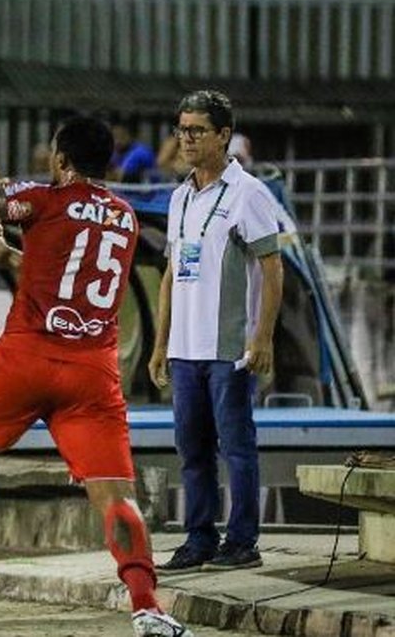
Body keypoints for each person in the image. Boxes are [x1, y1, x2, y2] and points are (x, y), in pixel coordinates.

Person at [0, 116, 194, 637]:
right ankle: (147, 607)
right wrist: (4, 252)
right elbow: (62, 267)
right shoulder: (124, 217)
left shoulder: (44, 197)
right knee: (117, 495)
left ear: (60, 161)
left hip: (29, 357)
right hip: (94, 371)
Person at [148, 90, 283, 575]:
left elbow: (272, 267)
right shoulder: (180, 196)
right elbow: (169, 274)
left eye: (197, 130)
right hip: (185, 349)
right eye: (181, 129)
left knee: (237, 447)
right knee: (192, 450)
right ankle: (199, 539)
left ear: (224, 135)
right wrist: (161, 343)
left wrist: (262, 337)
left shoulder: (249, 194)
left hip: (228, 349)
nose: (186, 138)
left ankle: (243, 541)